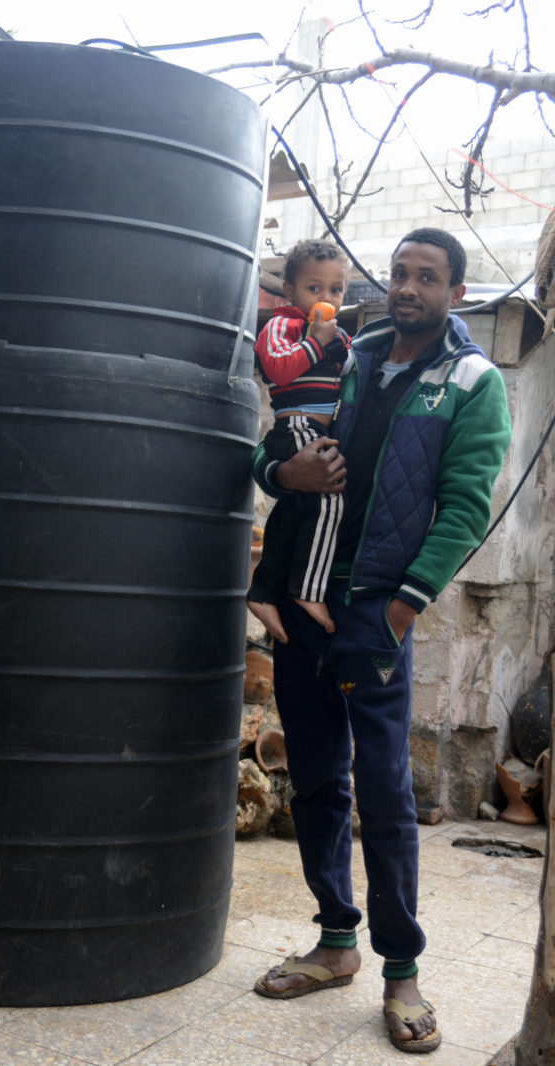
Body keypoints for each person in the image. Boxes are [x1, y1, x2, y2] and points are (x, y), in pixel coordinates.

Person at [250, 228, 511, 1055]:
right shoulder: (346, 355)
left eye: (427, 276)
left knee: (388, 796)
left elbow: (466, 508)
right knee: (317, 783)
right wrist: (277, 476)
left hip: (373, 616)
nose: (407, 286)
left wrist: (398, 615)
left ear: (455, 294)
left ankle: (403, 968)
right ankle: (335, 943)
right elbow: (276, 441)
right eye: (399, 272)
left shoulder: (472, 381)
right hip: (302, 603)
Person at [247, 239, 350, 641]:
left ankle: (264, 592)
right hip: (296, 428)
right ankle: (308, 590)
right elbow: (279, 368)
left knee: (294, 512)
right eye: (314, 288)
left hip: (318, 429)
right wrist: (315, 341)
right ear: (289, 291)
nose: (325, 298)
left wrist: (332, 342)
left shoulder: (333, 334)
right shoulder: (281, 326)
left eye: (335, 290)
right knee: (330, 498)